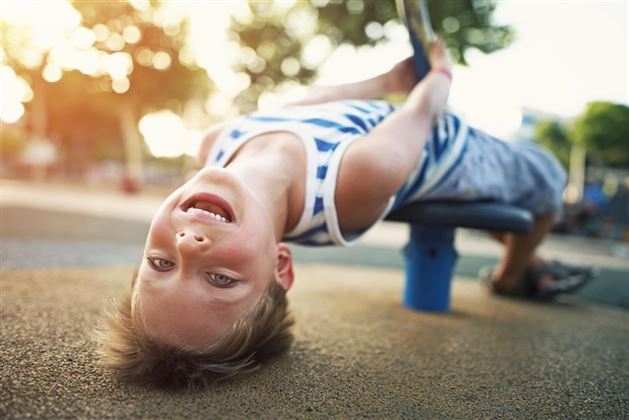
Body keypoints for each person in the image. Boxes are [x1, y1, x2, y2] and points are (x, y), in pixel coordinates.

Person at [95, 40, 591, 388]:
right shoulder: (356, 179)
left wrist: (385, 80)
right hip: (452, 149)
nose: (186, 246)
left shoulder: (216, 142)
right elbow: (420, 114)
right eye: (221, 279)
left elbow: (301, 104)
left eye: (160, 264)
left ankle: (529, 261)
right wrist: (439, 72)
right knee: (546, 180)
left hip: (380, 125)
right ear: (280, 266)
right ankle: (513, 274)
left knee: (506, 213)